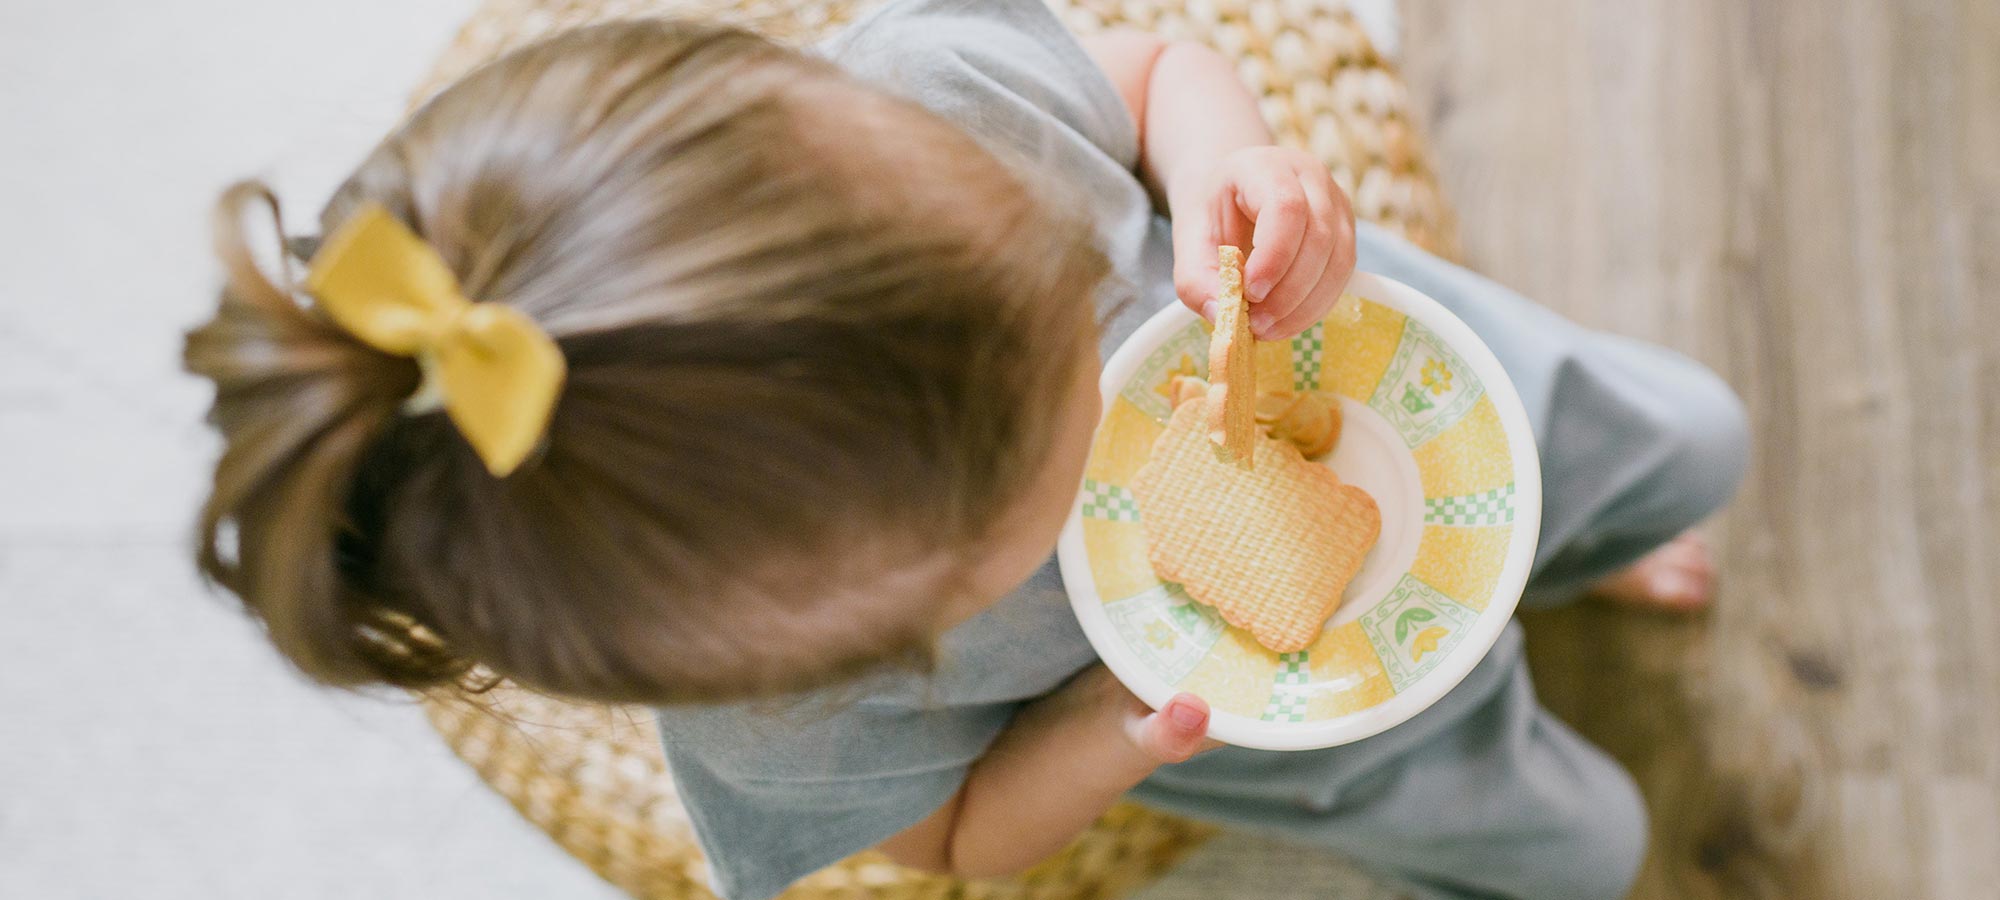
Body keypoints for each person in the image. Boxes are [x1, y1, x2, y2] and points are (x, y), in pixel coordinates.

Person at [184, 2, 1748, 897]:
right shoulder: (779, 720)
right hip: (1315, 729)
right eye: (1046, 490)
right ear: (861, 640)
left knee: (1688, 440)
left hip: (1433, 376)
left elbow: (1150, 73)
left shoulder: (933, 103)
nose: (1120, 415)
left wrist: (1232, 163)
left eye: (1074, 308)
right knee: (1582, 850)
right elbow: (955, 841)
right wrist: (1124, 730)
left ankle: (1586, 544)